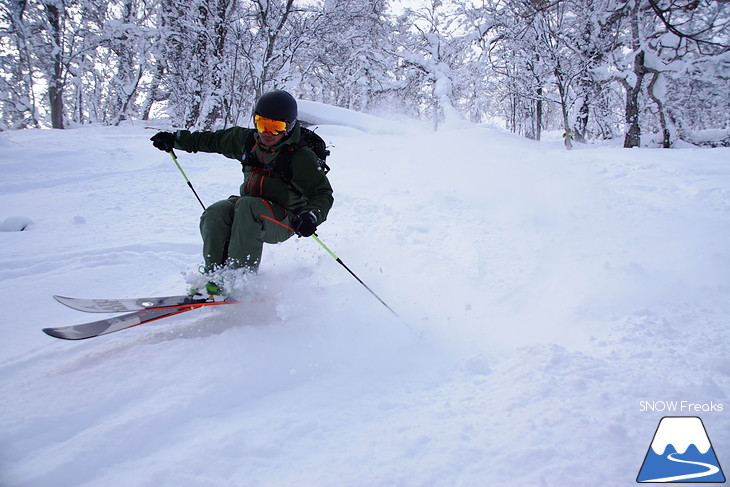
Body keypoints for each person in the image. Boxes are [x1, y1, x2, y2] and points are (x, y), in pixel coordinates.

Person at [150, 90, 334, 296]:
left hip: (285, 218)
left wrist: (311, 216)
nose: (266, 132)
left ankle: (239, 281)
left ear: (289, 127)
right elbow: (212, 140)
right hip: (250, 207)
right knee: (216, 212)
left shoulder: (300, 157)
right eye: (262, 123)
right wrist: (175, 140)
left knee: (247, 207)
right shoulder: (247, 141)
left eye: (276, 127)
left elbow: (322, 193)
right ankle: (214, 278)